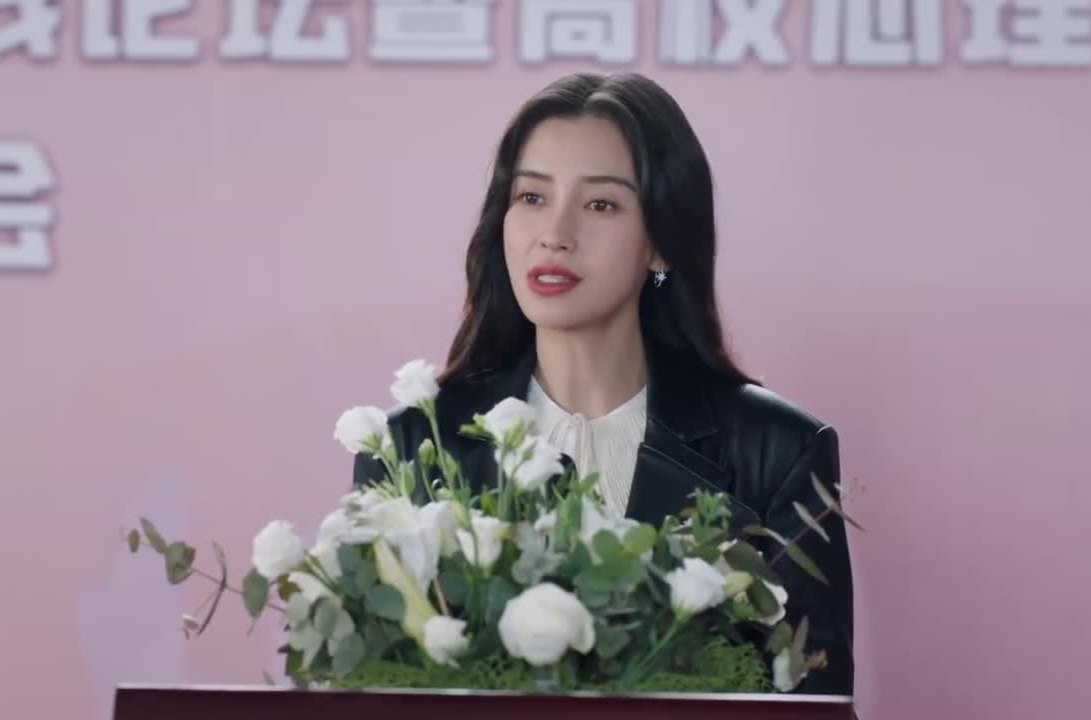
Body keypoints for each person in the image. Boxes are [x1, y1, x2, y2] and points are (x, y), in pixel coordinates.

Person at [354, 72, 854, 696]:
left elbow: (814, 700)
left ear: (662, 244)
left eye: (600, 205)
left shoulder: (777, 452)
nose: (554, 234)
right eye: (531, 197)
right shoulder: (411, 447)